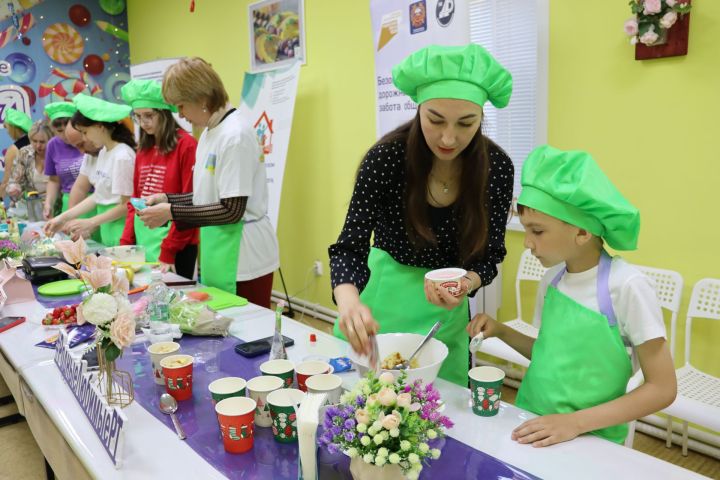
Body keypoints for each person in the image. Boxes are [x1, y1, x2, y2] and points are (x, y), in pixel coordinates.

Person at [329, 44, 515, 387]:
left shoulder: (496, 168)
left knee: (444, 415)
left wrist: (467, 283)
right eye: (435, 119)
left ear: (481, 117)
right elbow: (348, 247)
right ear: (418, 110)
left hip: (444, 321)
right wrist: (349, 303)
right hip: (381, 309)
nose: (448, 137)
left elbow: (491, 257)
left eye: (466, 123)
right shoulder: (386, 159)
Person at [467, 145, 677, 446]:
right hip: (532, 421)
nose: (527, 242)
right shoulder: (553, 280)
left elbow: (662, 388)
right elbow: (550, 354)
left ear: (581, 232)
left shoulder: (626, 286)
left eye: (537, 231)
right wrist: (500, 331)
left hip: (590, 438)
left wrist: (573, 423)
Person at [138, 57, 279, 307]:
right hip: (219, 247)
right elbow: (207, 195)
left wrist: (170, 212)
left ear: (202, 98)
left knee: (248, 331)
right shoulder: (209, 133)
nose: (180, 114)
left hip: (244, 256)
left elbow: (231, 209)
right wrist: (168, 198)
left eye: (181, 105)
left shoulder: (235, 135)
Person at [119, 79, 199, 279]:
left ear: (164, 113)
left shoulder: (186, 145)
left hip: (177, 243)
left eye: (149, 115)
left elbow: (191, 202)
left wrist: (169, 250)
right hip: (144, 239)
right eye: (138, 117)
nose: (144, 123)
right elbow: (134, 200)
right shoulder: (143, 149)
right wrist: (126, 242)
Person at [44, 94, 136, 246]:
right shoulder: (104, 152)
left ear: (100, 126)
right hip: (109, 230)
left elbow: (128, 205)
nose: (85, 140)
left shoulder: (122, 155)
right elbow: (98, 196)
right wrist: (62, 218)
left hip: (122, 230)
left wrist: (91, 222)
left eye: (85, 133)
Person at [42, 102, 84, 218]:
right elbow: (54, 180)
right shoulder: (52, 145)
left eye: (68, 128)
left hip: (93, 201)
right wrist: (49, 203)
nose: (66, 134)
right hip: (69, 202)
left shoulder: (88, 141)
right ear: (53, 130)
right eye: (60, 131)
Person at [6, 121, 52, 216]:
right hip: (31, 208)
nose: (38, 146)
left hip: (54, 207)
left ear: (51, 140)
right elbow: (14, 181)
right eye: (34, 141)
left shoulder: (57, 153)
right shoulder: (24, 153)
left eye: (42, 142)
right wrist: (14, 188)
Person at [0, 108, 32, 199]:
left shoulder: (13, 150)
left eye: (7, 128)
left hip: (24, 197)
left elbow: (7, 181)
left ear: (12, 129)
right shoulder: (39, 143)